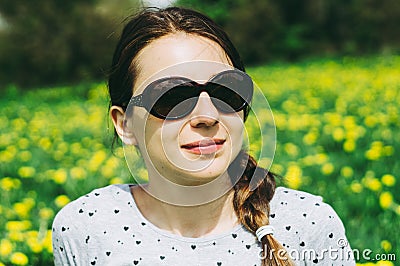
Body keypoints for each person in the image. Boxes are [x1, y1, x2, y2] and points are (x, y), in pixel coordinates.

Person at [52, 7, 355, 266]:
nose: (208, 116)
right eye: (172, 96)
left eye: (226, 90)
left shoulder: (309, 224)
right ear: (126, 124)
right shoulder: (85, 227)